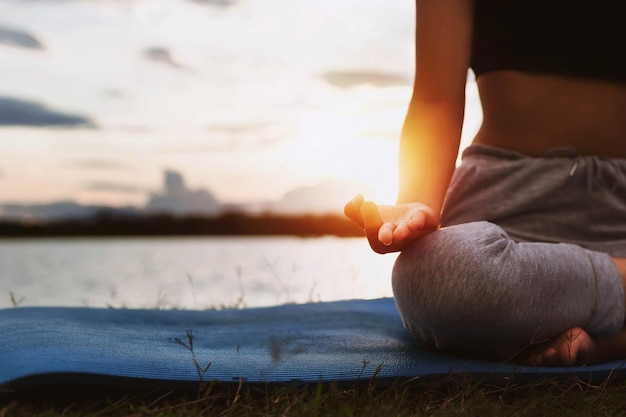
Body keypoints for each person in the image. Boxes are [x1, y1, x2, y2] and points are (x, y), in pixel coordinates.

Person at [344, 0, 626, 366]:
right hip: (507, 213)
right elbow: (435, 99)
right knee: (435, 276)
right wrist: (416, 204)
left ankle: (607, 340)